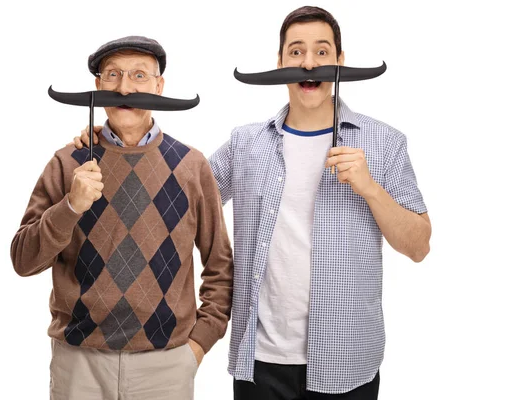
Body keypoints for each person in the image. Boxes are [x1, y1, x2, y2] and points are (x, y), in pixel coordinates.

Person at [72, 6, 431, 400]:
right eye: (296, 52)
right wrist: (111, 141)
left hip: (347, 361)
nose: (308, 63)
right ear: (280, 63)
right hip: (259, 362)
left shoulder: (385, 143)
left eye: (321, 51)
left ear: (340, 61)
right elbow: (175, 196)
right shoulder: (246, 144)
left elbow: (418, 246)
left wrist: (370, 188)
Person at [11, 35, 234, 400]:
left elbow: (219, 264)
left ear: (159, 87)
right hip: (79, 364)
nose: (125, 87)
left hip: (166, 365)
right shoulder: (68, 162)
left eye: (139, 76)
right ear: (98, 86)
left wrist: (198, 345)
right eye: (112, 75)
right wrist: (70, 207)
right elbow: (23, 260)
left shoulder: (192, 167)